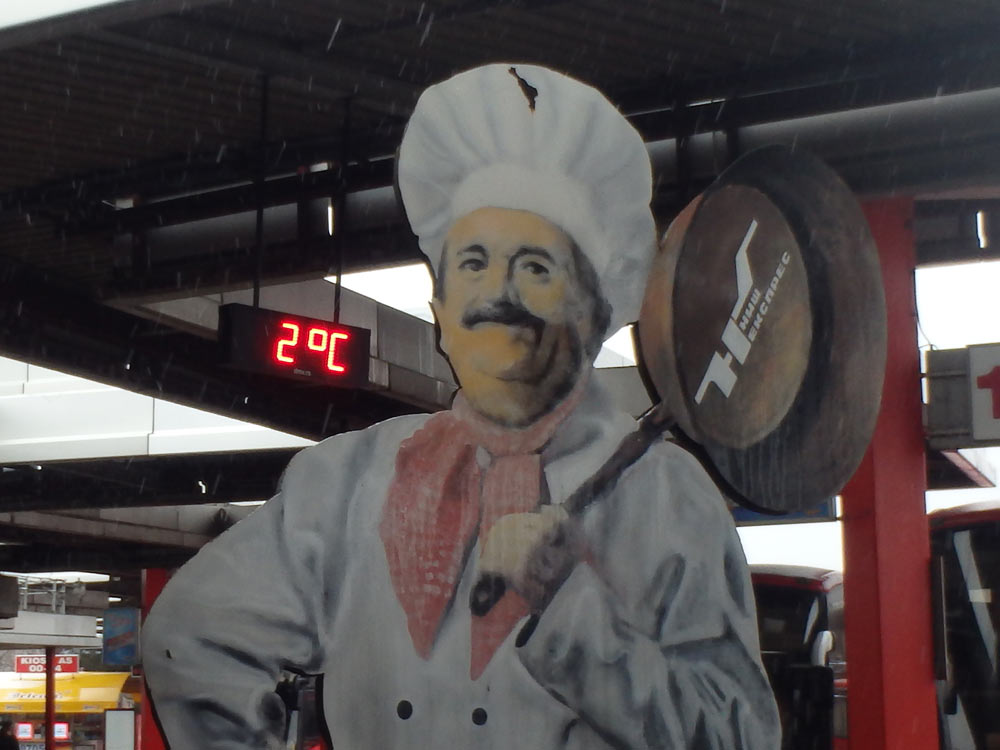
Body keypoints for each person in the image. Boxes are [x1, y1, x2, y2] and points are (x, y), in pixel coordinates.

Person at [142, 63, 781, 749]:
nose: (496, 293)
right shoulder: (348, 483)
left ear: (596, 313)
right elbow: (191, 637)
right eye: (472, 263)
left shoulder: (667, 499)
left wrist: (571, 609)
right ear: (440, 312)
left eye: (536, 267)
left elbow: (738, 736)